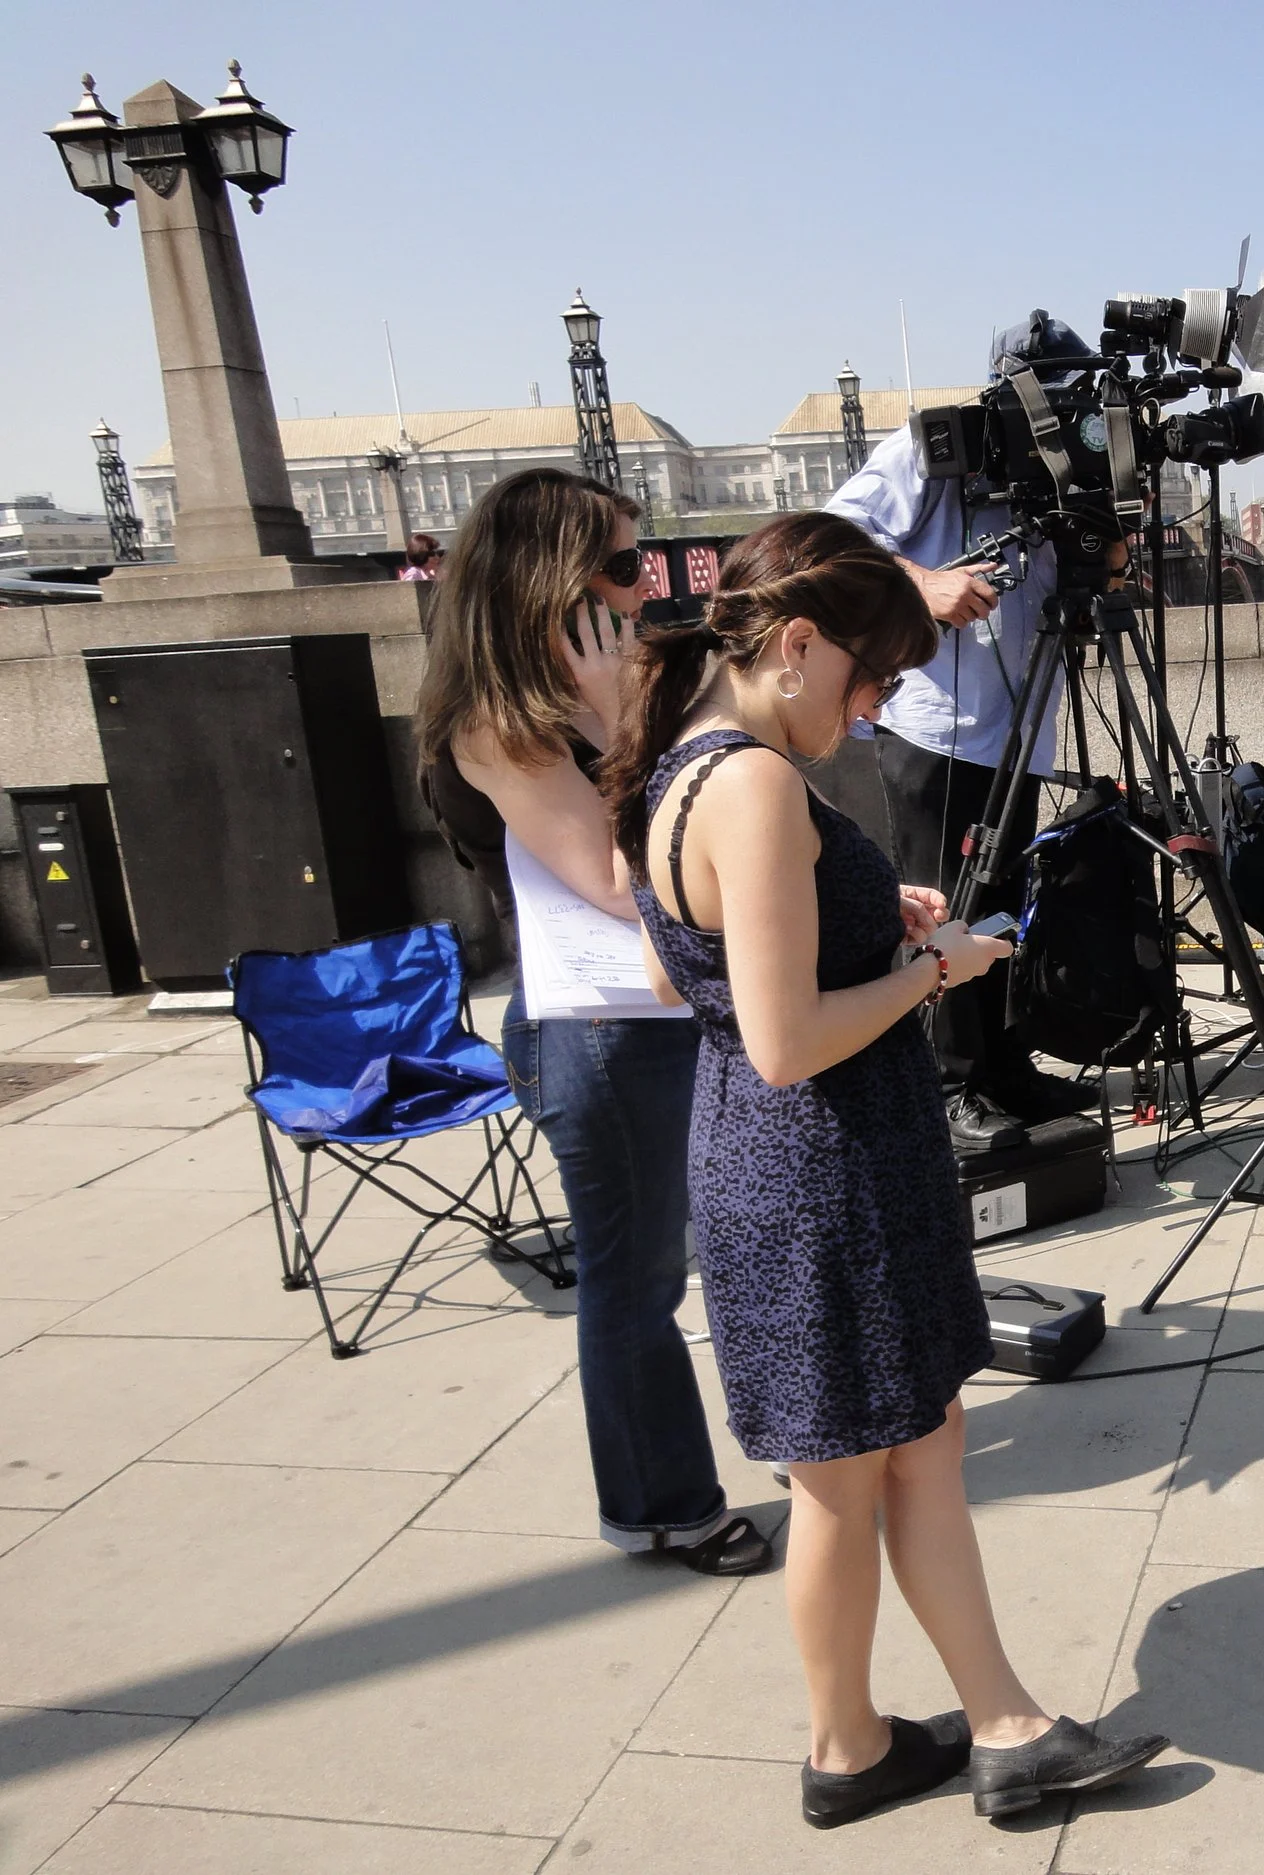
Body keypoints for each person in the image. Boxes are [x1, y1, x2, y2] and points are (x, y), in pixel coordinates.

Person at [601, 510, 1167, 1829]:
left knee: (903, 1448)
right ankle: (867, 1745)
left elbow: (680, 973)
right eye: (872, 682)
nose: (873, 713)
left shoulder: (678, 760)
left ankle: (961, 1731)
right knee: (847, 1475)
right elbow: (787, 1040)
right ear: (797, 644)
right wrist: (931, 969)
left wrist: (866, 918)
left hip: (781, 1161)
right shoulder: (751, 782)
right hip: (824, 1170)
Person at [412, 467, 768, 1577]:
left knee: (703, 1249)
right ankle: (663, 1507)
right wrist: (622, 717)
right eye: (619, 565)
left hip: (662, 1002)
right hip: (600, 1029)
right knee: (637, 1279)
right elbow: (622, 881)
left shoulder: (589, 682)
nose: (639, 586)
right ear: (547, 577)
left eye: (640, 561)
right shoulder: (497, 722)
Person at [826, 312, 1101, 1154]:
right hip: (936, 732)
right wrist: (922, 584)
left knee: (1003, 910)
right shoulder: (936, 447)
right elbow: (830, 537)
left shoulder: (1069, 465)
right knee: (947, 909)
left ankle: (1004, 1068)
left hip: (1019, 734)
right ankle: (951, 1084)